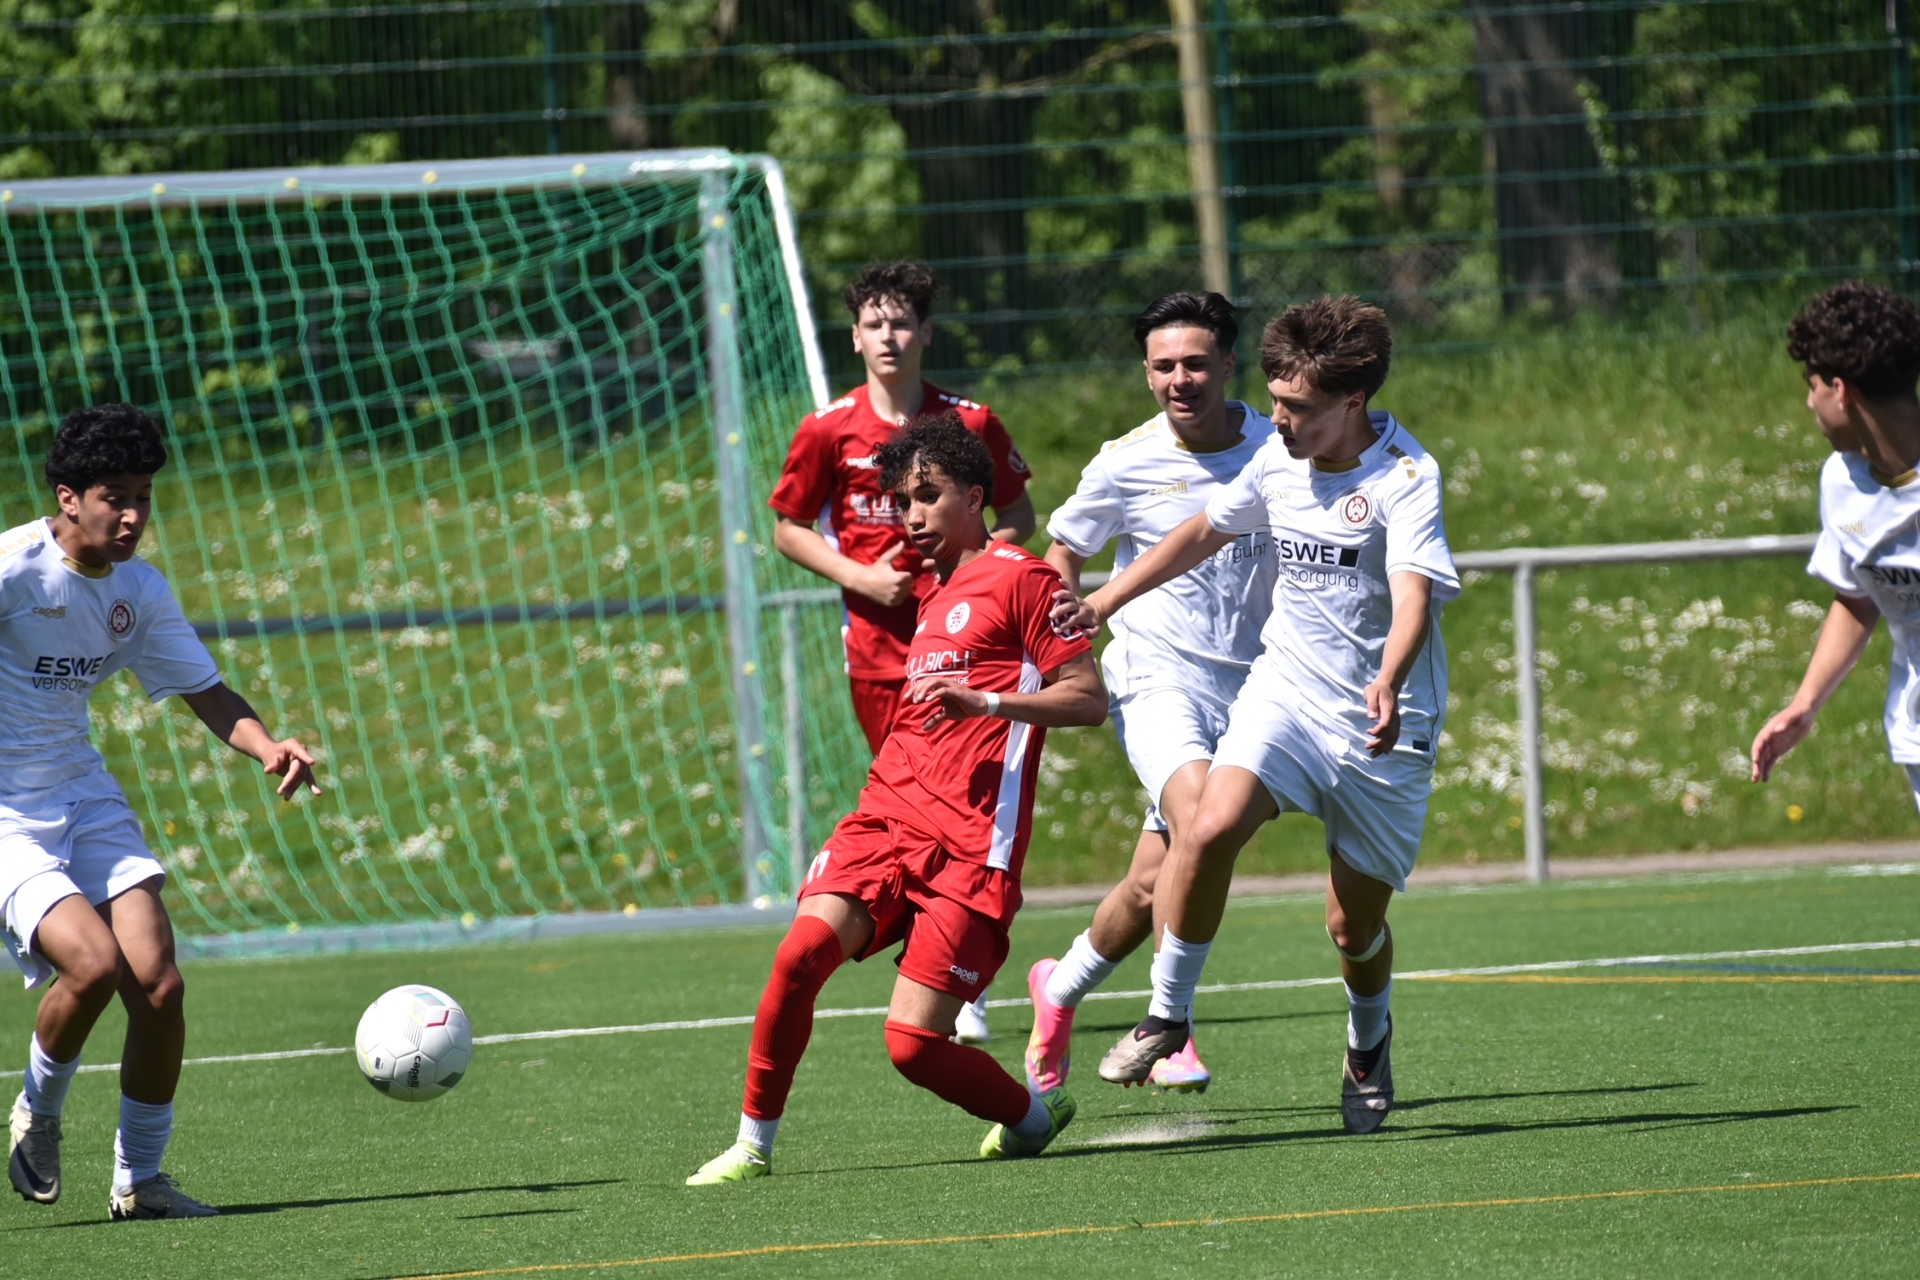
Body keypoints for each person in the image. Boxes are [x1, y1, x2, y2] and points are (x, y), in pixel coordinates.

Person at [1059, 296, 1458, 1133]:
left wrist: (1388, 680)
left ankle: (1369, 1035)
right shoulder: (1278, 457)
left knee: (1353, 929)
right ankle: (1168, 1014)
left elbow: (1414, 596)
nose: (1276, 419)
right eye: (1274, 399)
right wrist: (1103, 602)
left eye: (1298, 407)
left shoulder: (1405, 476)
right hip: (1284, 694)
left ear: (1352, 403)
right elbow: (1201, 530)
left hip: (1380, 722)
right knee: (1207, 826)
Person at [687, 413, 1105, 1185]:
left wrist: (987, 704)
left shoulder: (1026, 579)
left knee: (912, 1047)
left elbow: (1087, 699)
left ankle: (1032, 1116)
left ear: (975, 496)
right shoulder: (930, 592)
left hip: (972, 846)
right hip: (886, 817)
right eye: (902, 501)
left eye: (927, 496)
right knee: (798, 957)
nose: (910, 515)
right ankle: (751, 1147)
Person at [3, 404, 321, 1219]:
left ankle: (139, 1181)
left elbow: (206, 692)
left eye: (143, 495)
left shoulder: (138, 590)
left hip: (83, 793)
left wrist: (268, 746)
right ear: (69, 497)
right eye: (116, 495)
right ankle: (38, 1110)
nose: (134, 514)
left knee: (157, 983)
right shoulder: (12, 569)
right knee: (92, 965)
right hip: (5, 814)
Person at [767, 261, 1035, 1045]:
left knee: (966, 803)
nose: (889, 336)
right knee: (908, 809)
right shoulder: (828, 429)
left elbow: (1017, 514)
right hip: (881, 657)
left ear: (926, 333)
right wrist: (859, 577)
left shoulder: (970, 423)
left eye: (902, 322)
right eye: (874, 324)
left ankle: (958, 974)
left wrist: (967, 580)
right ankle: (930, 959)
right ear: (855, 338)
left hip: (967, 661)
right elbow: (787, 527)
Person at [1025, 292, 1277, 1097]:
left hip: (1257, 686)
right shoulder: (1124, 460)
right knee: (1203, 816)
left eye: (1195, 363)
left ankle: (1059, 987)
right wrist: (1068, 648)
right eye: (1163, 366)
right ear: (1145, 372)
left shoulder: (1281, 449)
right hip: (1156, 676)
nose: (1179, 379)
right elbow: (1063, 553)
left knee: (1154, 878)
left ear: (1229, 365)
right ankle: (1173, 1029)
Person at [1752, 281, 1920, 808]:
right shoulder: (1842, 484)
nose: (1809, 402)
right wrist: (1805, 704)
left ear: (1842, 391)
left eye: (1813, 386)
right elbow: (1858, 597)